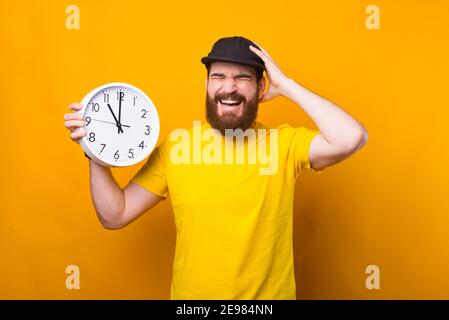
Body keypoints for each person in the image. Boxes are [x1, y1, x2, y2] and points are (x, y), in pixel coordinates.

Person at [63, 36, 368, 299]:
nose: (229, 88)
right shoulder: (177, 148)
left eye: (242, 78)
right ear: (206, 84)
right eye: (219, 76)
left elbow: (351, 137)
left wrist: (287, 86)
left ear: (261, 87)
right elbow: (114, 215)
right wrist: (94, 151)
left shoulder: (284, 144)